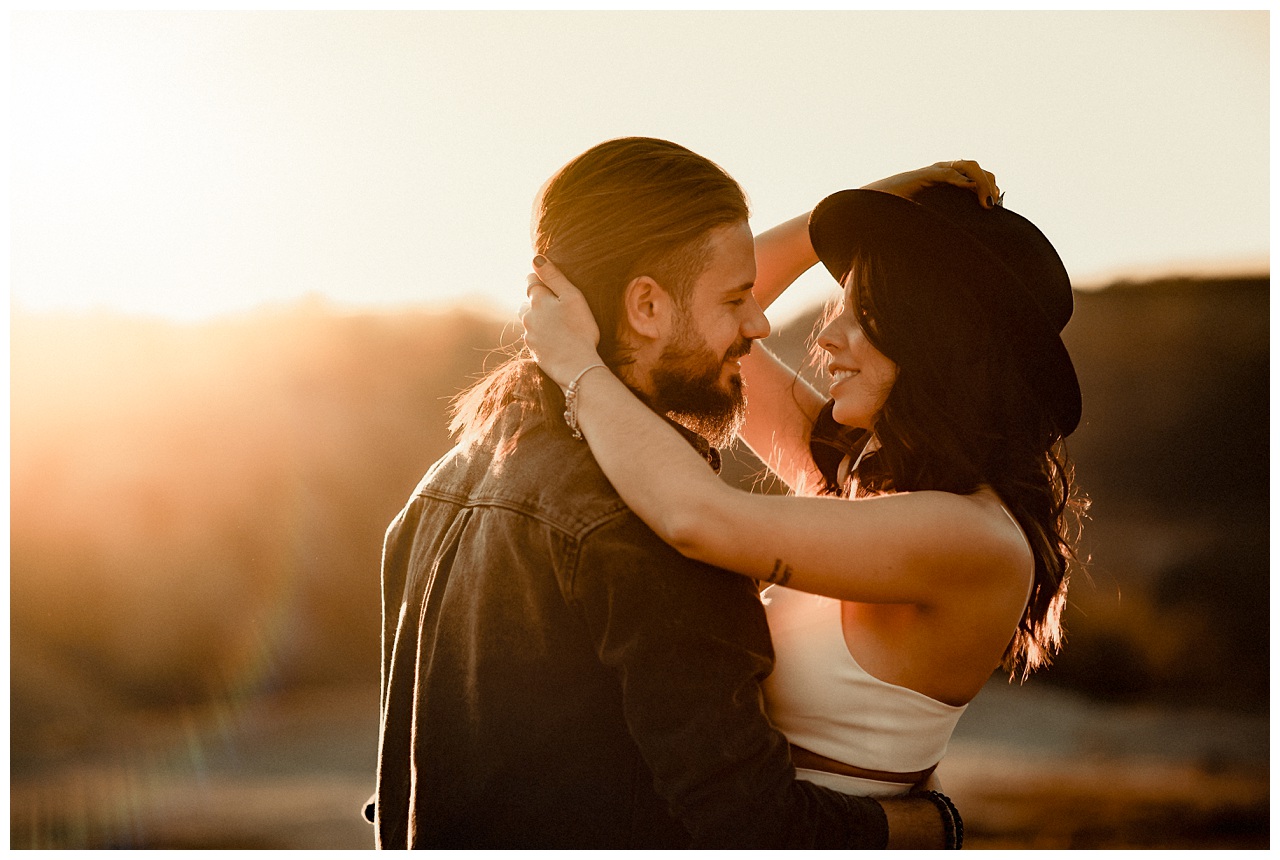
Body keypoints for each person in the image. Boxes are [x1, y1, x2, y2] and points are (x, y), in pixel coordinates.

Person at [370, 137, 978, 848]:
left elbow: (399, 791)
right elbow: (752, 827)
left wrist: (840, 220)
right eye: (734, 298)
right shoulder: (647, 522)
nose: (759, 324)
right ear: (647, 307)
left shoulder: (443, 486)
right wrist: (930, 824)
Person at [523, 172, 1085, 805]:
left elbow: (696, 517)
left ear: (939, 343)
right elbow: (704, 317)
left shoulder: (974, 539)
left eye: (864, 318)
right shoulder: (855, 482)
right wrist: (873, 207)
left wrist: (574, 365)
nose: (826, 338)